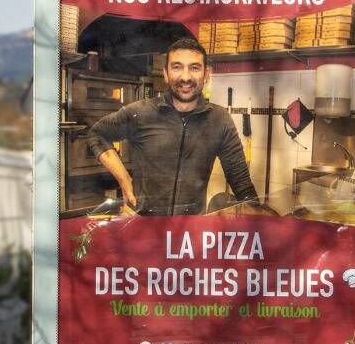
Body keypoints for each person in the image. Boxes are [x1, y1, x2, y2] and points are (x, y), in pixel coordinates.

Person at [87, 37, 259, 216]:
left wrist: (264, 225)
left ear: (206, 74)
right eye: (177, 67)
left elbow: (242, 183)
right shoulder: (141, 113)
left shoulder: (219, 120)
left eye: (194, 67)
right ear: (166, 73)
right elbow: (97, 134)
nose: (186, 77)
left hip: (190, 232)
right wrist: (124, 179)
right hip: (143, 226)